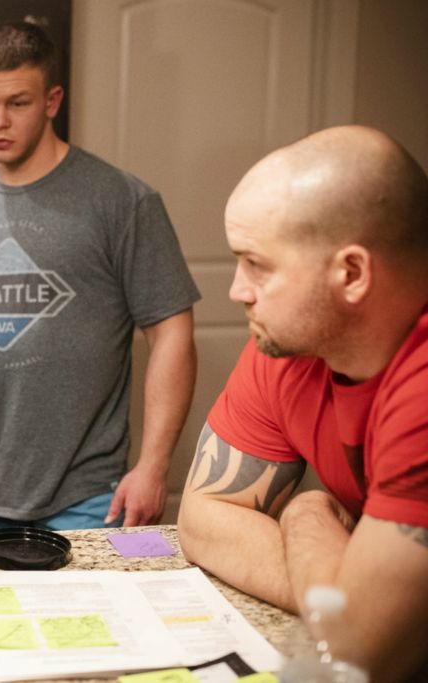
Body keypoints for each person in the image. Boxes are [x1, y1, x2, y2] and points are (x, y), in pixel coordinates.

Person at [0, 21, 199, 538]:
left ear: (52, 100)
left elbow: (172, 333)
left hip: (89, 496)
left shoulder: (122, 202)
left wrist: (153, 467)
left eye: (17, 102)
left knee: (91, 622)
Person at [178, 125, 428, 683]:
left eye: (256, 265)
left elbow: (360, 652)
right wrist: (344, 587)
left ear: (352, 273)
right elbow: (202, 520)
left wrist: (305, 512)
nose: (237, 290)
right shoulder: (287, 345)